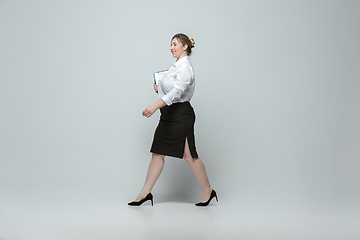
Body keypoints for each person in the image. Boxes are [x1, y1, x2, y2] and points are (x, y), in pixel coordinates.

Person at [128, 33, 217, 207]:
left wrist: (154, 106)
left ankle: (208, 191)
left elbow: (177, 94)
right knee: (157, 154)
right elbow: (170, 90)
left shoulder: (185, 67)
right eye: (171, 44)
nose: (172, 47)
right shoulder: (175, 67)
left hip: (180, 115)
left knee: (189, 155)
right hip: (167, 116)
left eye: (175, 44)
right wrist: (159, 87)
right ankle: (144, 194)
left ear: (185, 46)